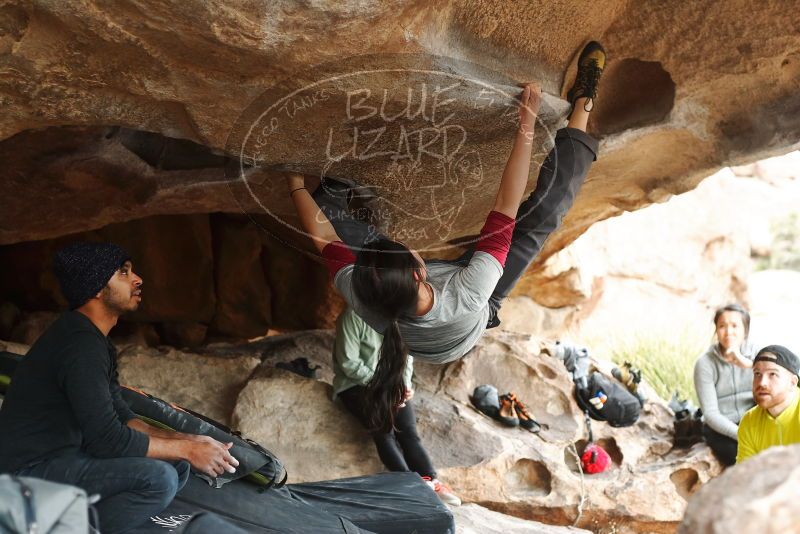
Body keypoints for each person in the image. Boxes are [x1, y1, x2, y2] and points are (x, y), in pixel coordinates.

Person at [287, 42, 605, 432]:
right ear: (420, 269)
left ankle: (331, 191)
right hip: (474, 312)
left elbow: (323, 239)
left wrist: (296, 185)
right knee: (543, 216)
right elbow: (507, 201)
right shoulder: (473, 289)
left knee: (327, 205)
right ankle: (583, 106)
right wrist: (526, 124)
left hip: (429, 321)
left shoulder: (369, 293)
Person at [0, 242, 239, 534]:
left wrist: (190, 441)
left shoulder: (92, 339)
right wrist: (187, 448)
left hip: (64, 457)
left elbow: (123, 416)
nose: (138, 279)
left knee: (177, 464)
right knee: (158, 478)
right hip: (26, 473)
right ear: (97, 288)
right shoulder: (79, 346)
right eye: (123, 273)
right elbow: (107, 440)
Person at [332, 307, 461, 506]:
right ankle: (411, 486)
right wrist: (386, 386)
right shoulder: (353, 315)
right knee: (384, 431)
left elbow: (406, 356)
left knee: (408, 432)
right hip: (357, 385)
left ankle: (432, 482)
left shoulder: (398, 317)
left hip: (391, 387)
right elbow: (349, 363)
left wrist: (405, 386)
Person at [693, 304, 755, 466]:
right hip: (721, 428)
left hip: (754, 421)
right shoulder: (705, 364)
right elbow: (711, 413)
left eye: (735, 326)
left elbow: (779, 385)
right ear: (716, 330)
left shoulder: (756, 353)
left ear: (745, 330)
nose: (728, 332)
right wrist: (741, 434)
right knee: (743, 459)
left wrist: (747, 364)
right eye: (722, 326)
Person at [737, 345, 800, 463]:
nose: (762, 383)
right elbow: (745, 474)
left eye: (772, 374)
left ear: (792, 383)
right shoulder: (749, 421)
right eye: (757, 374)